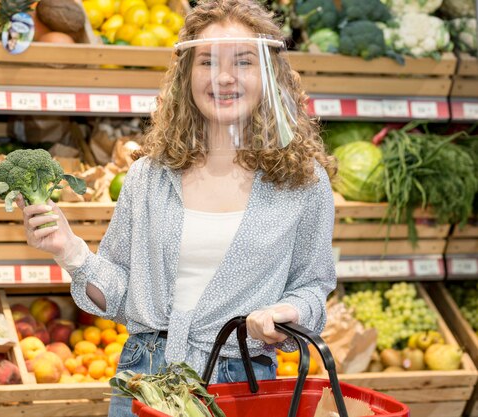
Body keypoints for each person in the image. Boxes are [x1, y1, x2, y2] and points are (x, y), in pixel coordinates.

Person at [18, 0, 336, 415]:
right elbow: (117, 295)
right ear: (187, 74)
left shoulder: (303, 183)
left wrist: (286, 311)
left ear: (269, 74)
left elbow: (313, 286)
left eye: (242, 62)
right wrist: (69, 250)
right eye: (206, 62)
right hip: (145, 379)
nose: (223, 77)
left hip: (239, 384)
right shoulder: (150, 176)